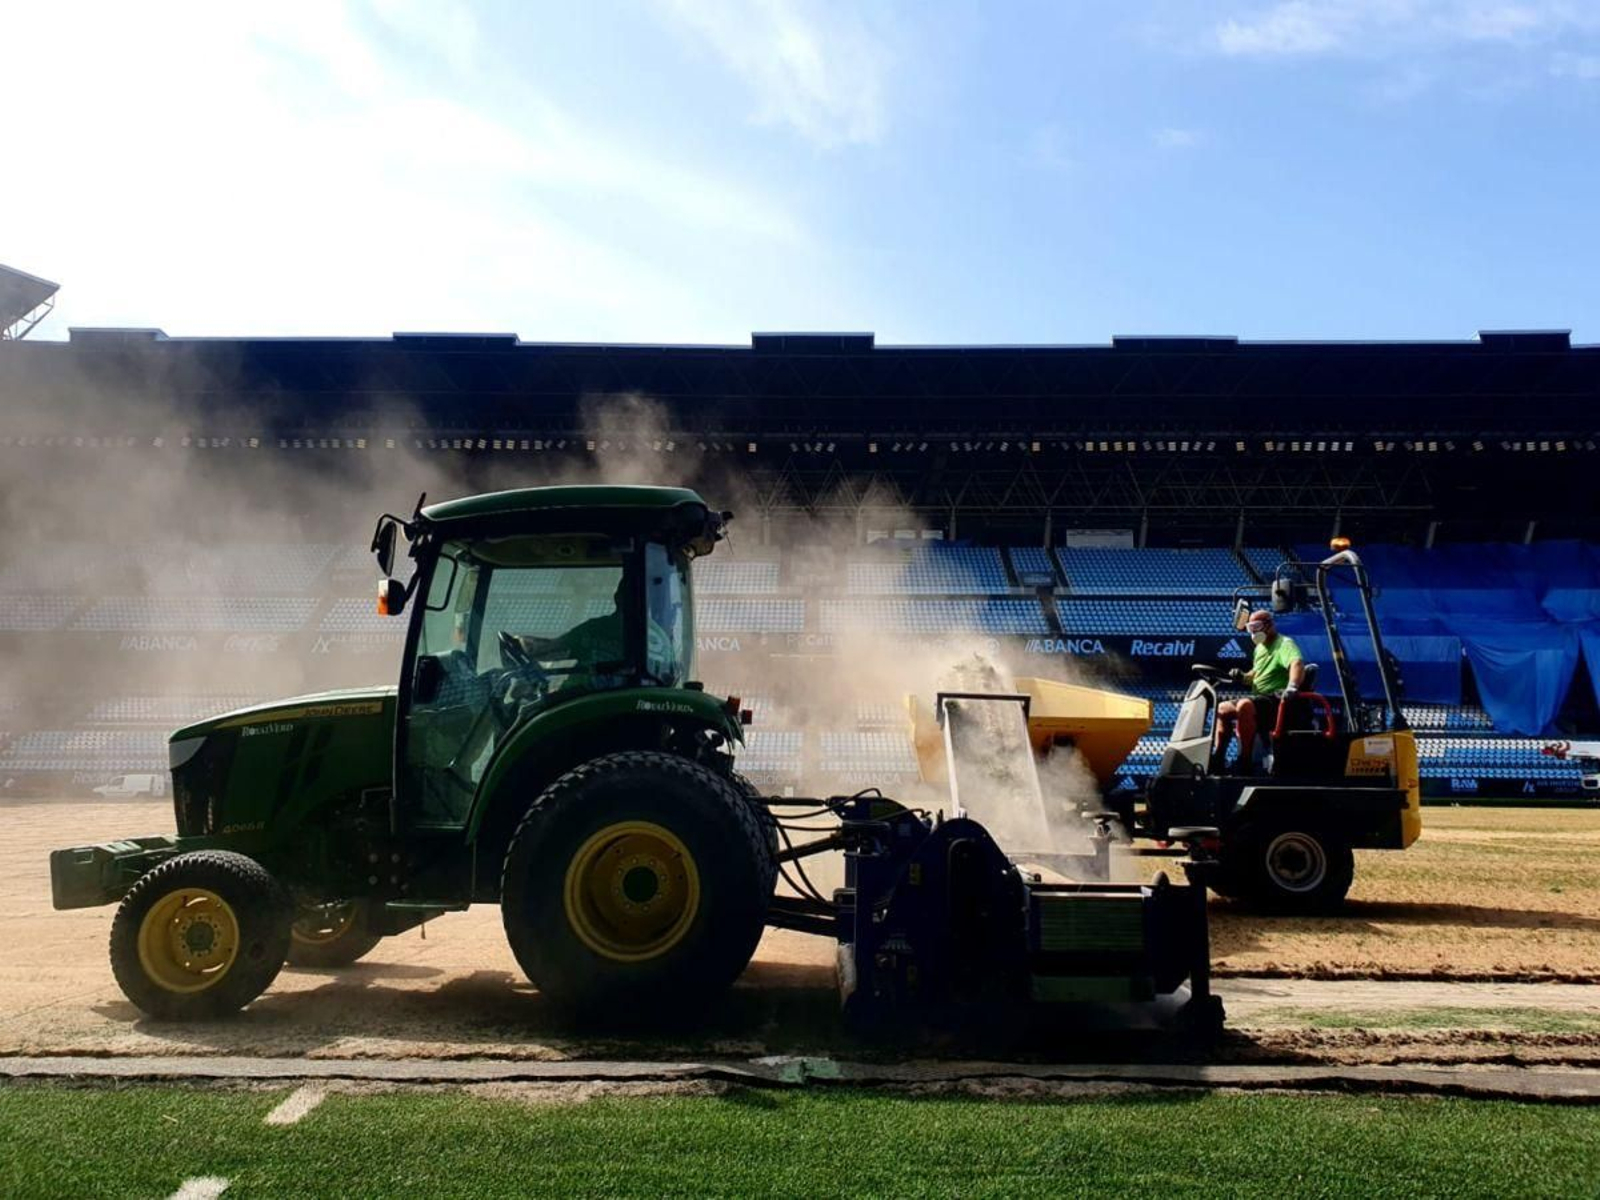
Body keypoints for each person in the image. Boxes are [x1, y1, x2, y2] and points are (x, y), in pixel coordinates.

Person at [1214, 609, 1305, 772]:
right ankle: (1218, 758)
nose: (1253, 632)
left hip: (1277, 698)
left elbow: (1296, 663)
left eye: (1257, 626)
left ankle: (1245, 761)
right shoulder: (1260, 648)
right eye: (1250, 628)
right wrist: (1242, 676)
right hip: (1259, 698)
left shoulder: (1284, 643)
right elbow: (1255, 674)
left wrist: (1292, 686)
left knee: (1244, 705)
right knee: (1222, 708)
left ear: (1269, 625)